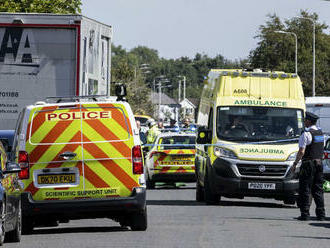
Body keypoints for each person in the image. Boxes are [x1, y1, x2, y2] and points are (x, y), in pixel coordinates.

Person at [292, 112, 326, 221]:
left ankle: (305, 214)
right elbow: (321, 149)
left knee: (305, 188)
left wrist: (295, 164)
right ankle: (321, 214)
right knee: (318, 189)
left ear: (309, 121)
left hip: (308, 164)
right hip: (319, 163)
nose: (304, 122)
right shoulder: (320, 133)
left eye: (305, 120)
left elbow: (301, 151)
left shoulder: (306, 134)